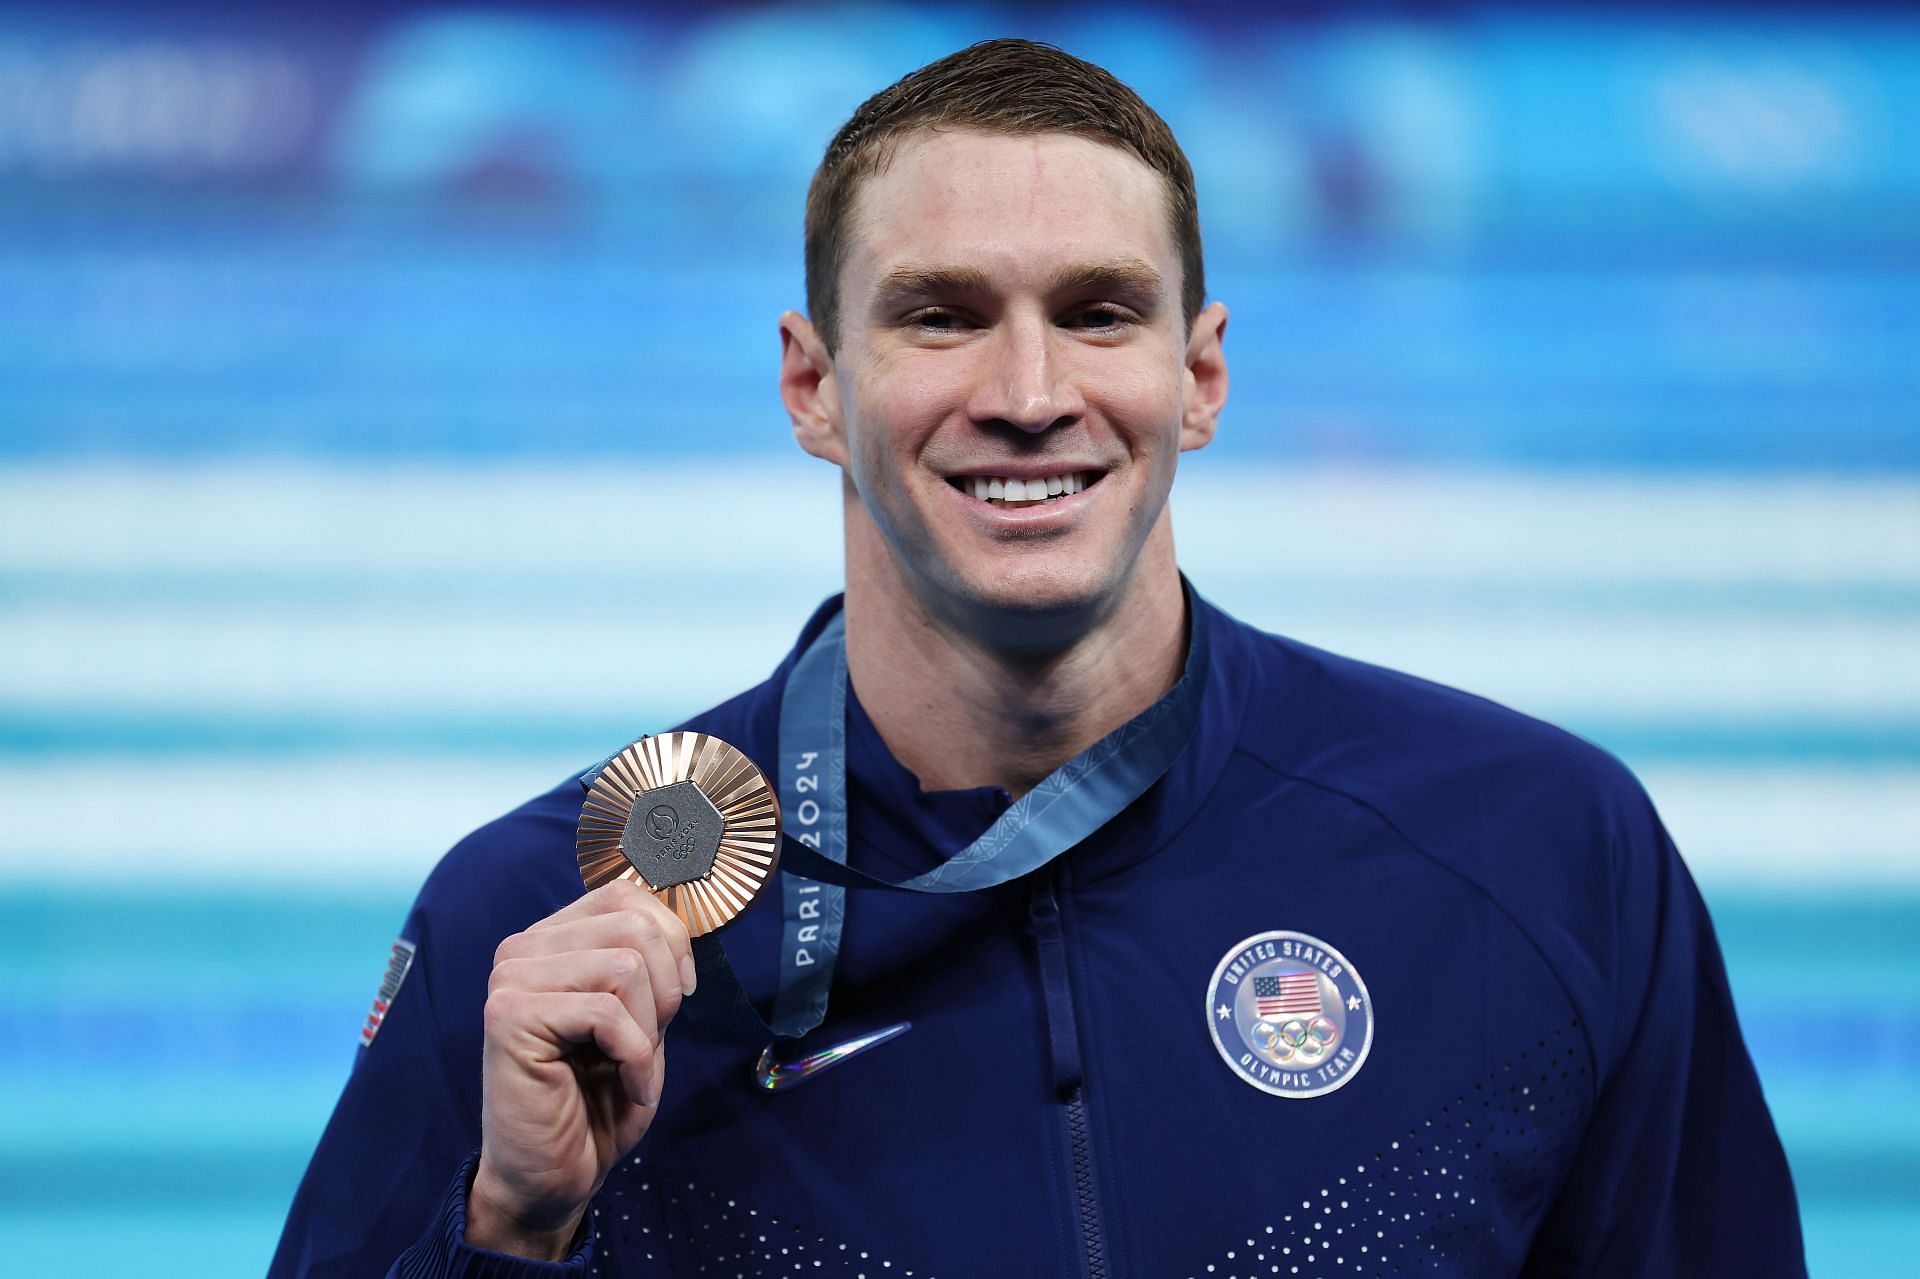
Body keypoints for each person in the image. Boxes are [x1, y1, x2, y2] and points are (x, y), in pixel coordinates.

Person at [272, 38, 1804, 1278]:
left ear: (1199, 376)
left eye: (1097, 314)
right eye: (941, 316)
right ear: (814, 384)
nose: (1027, 390)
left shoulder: (1535, 851)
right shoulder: (538, 925)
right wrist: (514, 1235)